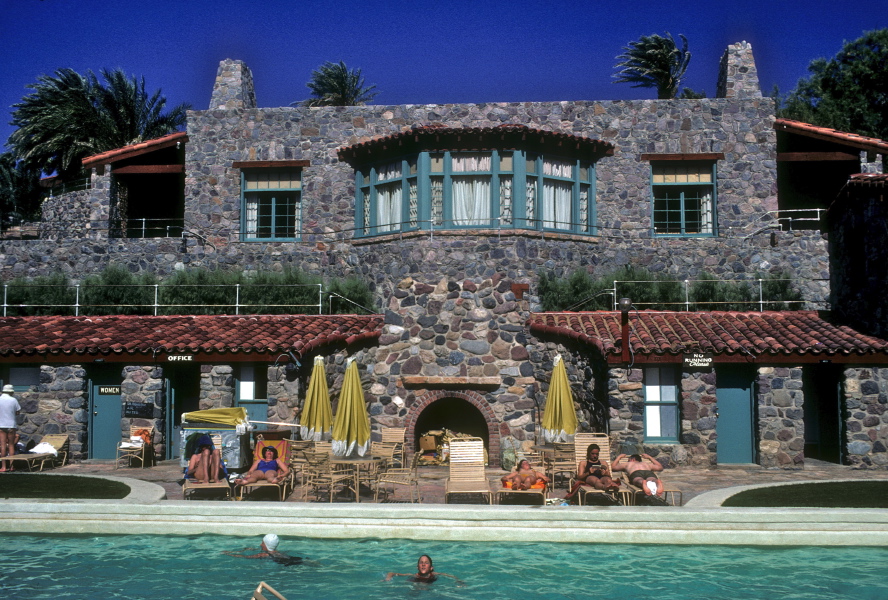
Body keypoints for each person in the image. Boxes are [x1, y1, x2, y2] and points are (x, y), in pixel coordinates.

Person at [223, 534, 303, 566]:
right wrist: (253, 549)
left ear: (267, 545)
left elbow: (245, 557)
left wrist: (229, 554)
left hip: (286, 562)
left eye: (262, 543)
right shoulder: (277, 552)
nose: (260, 545)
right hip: (288, 558)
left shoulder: (263, 555)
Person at [386, 554, 463, 585]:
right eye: (421, 563)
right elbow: (391, 573)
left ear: (431, 568)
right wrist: (388, 578)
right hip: (416, 585)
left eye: (426, 563)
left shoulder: (435, 574)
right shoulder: (413, 575)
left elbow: (452, 576)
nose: (423, 564)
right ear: (417, 567)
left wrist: (459, 581)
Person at [0, 384, 21, 473]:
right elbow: (18, 412)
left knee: (3, 445)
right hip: (11, 425)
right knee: (11, 445)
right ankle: (12, 466)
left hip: (1, 425)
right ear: (11, 392)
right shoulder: (13, 400)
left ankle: (3, 467)